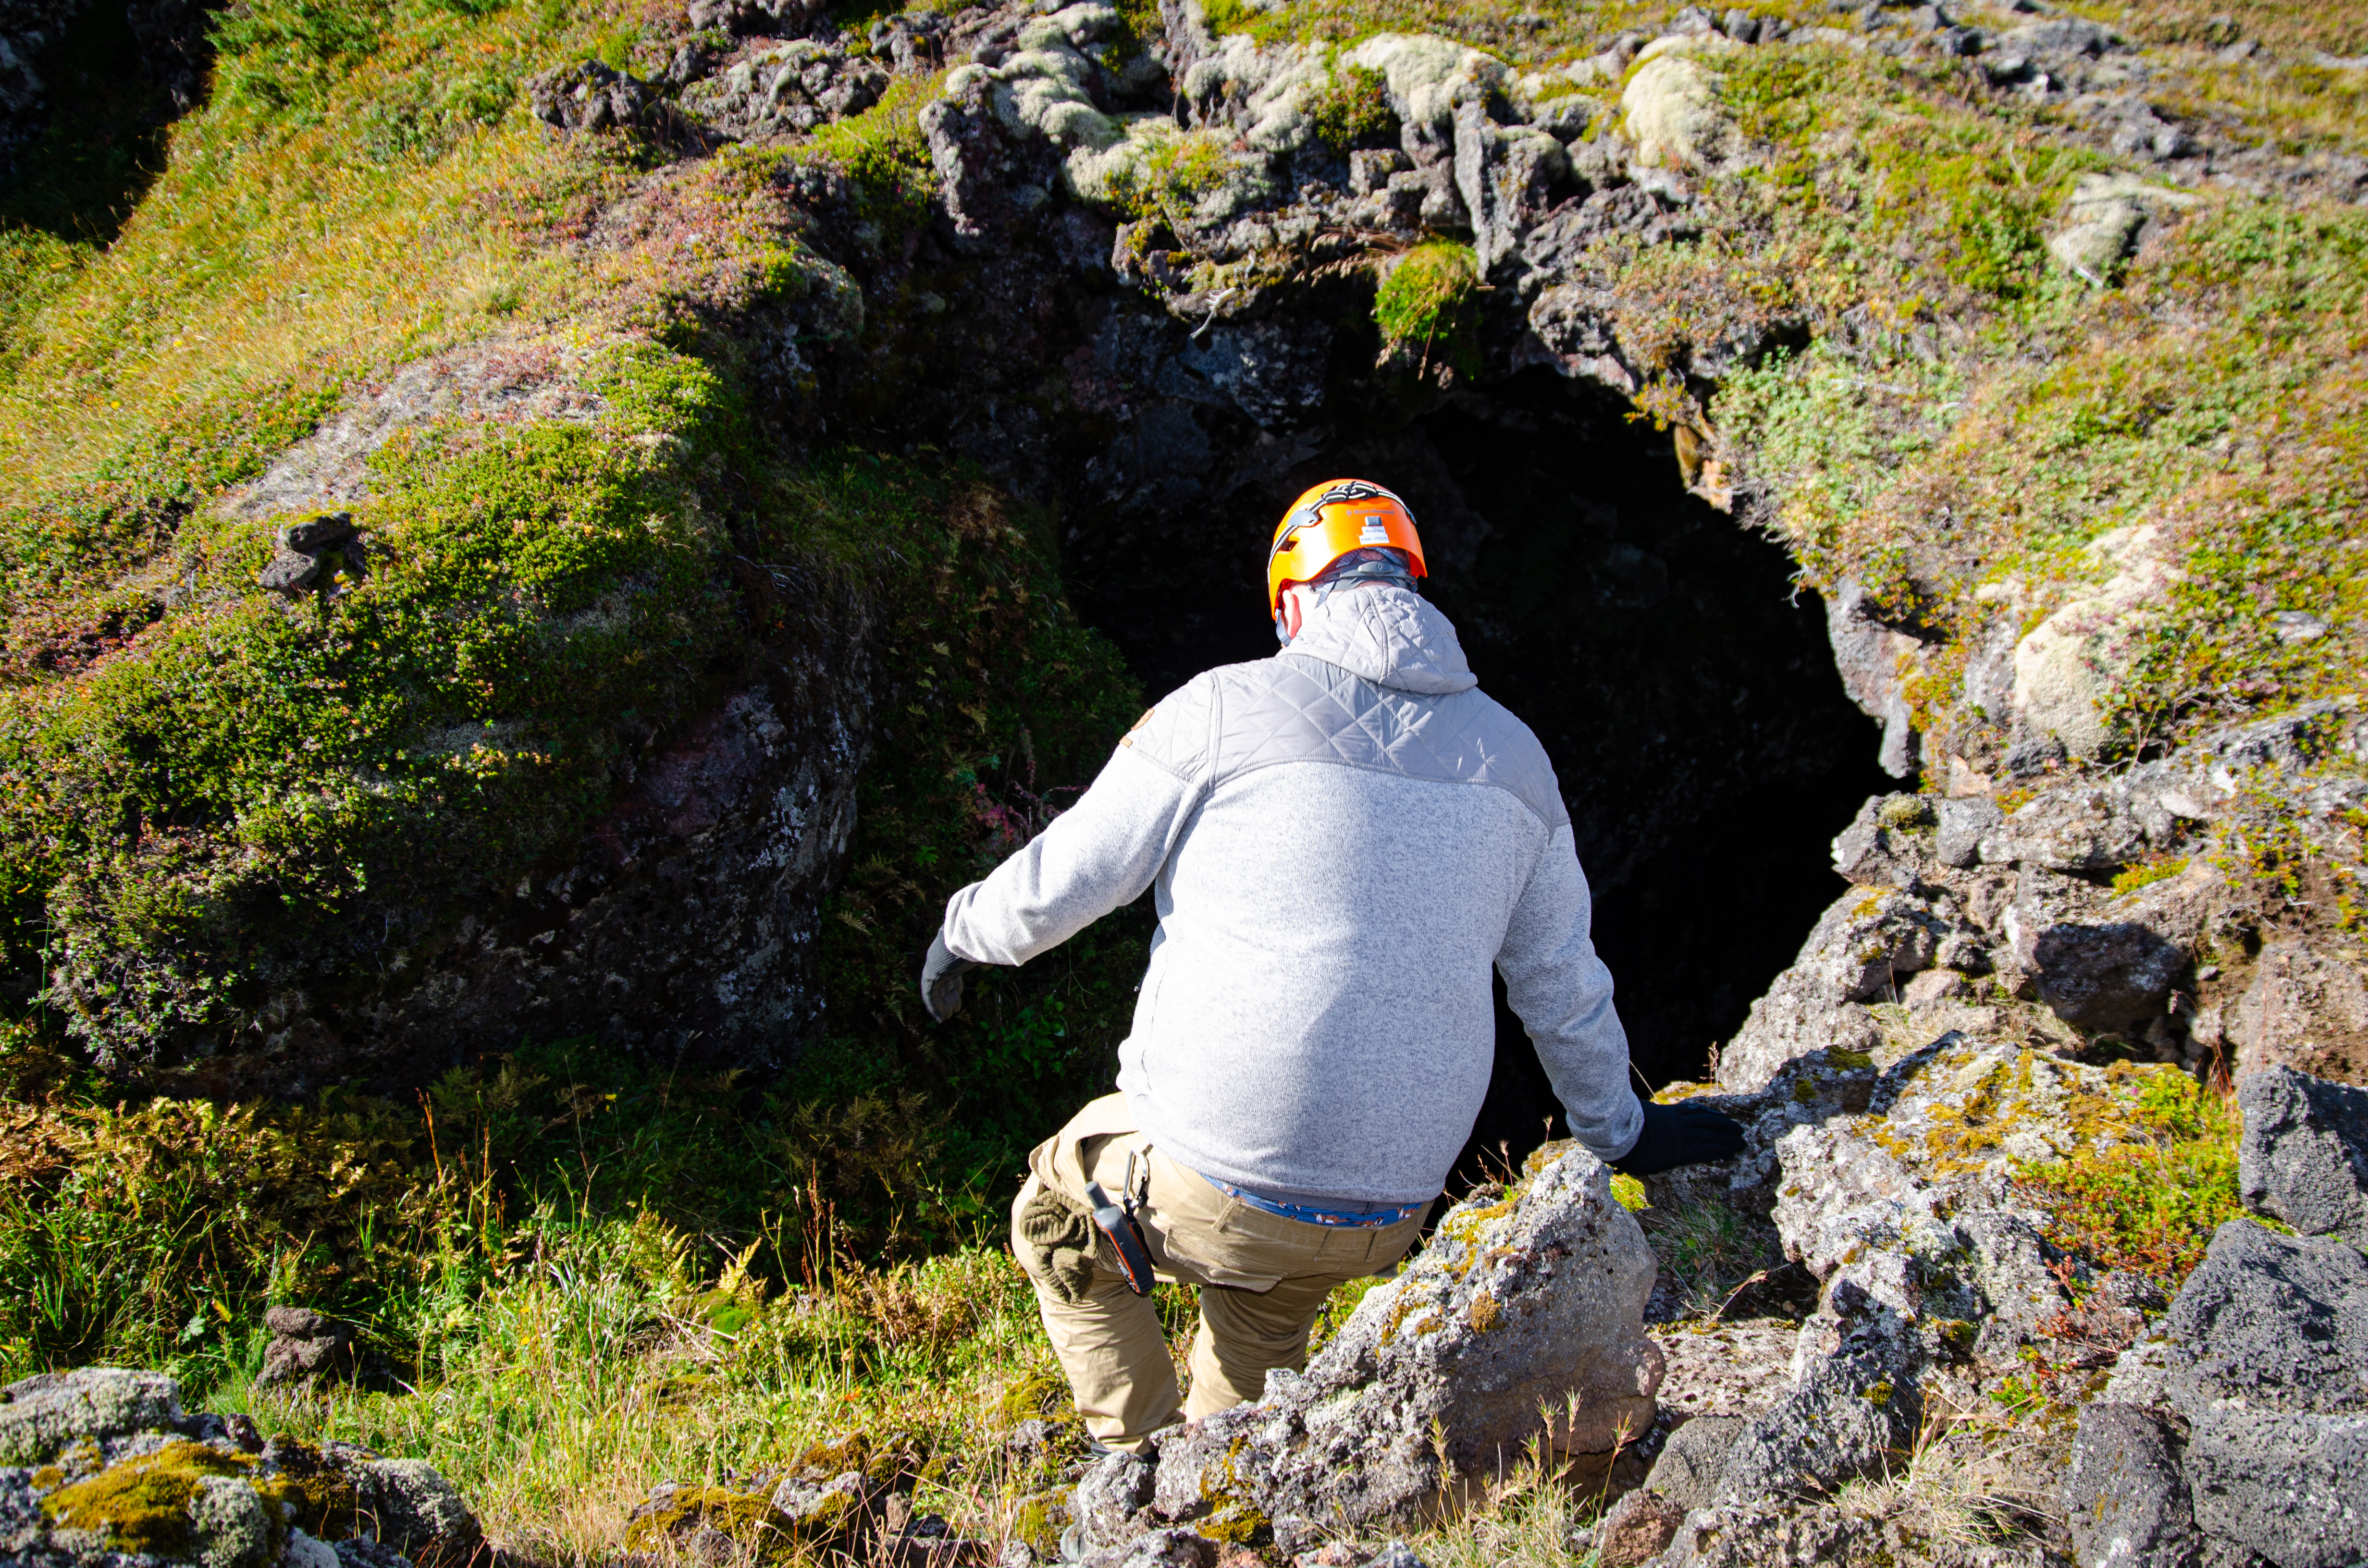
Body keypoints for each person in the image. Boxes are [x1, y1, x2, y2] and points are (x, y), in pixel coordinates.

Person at [916, 477, 1744, 1453]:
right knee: (1260, 1336)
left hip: (1219, 1169)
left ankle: (1130, 1467)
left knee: (1054, 1215)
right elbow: (1562, 985)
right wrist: (1623, 1133)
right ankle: (1211, 1487)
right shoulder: (1519, 758)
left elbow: (1069, 878)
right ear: (1413, 589)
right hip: (1390, 1206)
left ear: (1293, 601)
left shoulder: (1223, 707)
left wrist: (963, 936)